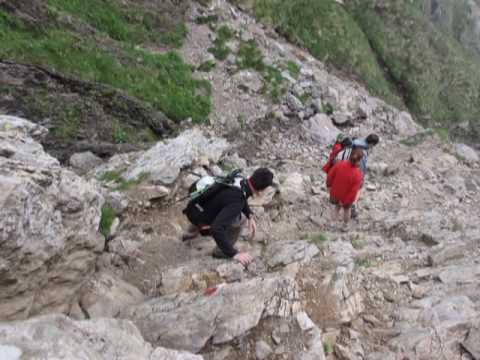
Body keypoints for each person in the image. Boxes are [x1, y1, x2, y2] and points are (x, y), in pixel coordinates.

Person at [182, 168, 274, 266]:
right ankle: (220, 252)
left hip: (195, 208)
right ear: (261, 191)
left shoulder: (239, 179)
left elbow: (240, 198)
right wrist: (235, 254)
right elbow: (216, 229)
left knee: (226, 206)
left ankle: (190, 233)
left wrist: (249, 215)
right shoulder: (238, 200)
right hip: (200, 218)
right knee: (241, 219)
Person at [334, 133, 379, 219]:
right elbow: (361, 166)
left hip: (343, 169)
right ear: (372, 144)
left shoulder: (356, 142)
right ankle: (352, 208)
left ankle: (336, 216)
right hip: (353, 172)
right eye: (374, 145)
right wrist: (360, 178)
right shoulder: (363, 150)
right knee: (357, 189)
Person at [326, 147, 364, 224]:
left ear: (350, 156)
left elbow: (330, 175)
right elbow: (354, 191)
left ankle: (332, 224)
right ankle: (345, 225)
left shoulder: (339, 164)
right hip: (346, 198)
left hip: (335, 193)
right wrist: (346, 201)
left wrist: (329, 186)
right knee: (347, 210)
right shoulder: (358, 174)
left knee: (336, 208)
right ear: (360, 160)